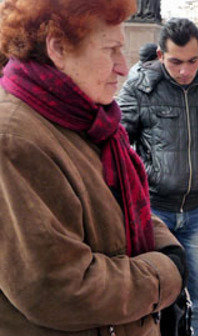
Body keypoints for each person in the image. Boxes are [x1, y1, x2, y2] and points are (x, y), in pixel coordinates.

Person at [0, 0, 185, 334]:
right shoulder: (15, 138)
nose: (123, 66)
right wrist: (163, 275)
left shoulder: (80, 116)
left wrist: (163, 242)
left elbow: (116, 203)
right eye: (111, 50)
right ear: (57, 48)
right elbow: (57, 287)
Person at [118, 18, 198, 336]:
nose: (185, 70)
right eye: (175, 61)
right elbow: (118, 142)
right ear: (160, 54)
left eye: (193, 61)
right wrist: (148, 174)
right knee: (154, 301)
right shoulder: (141, 84)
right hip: (154, 211)